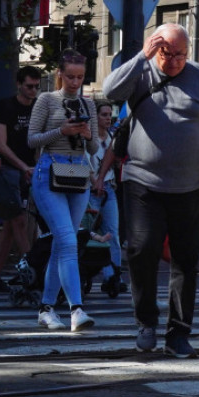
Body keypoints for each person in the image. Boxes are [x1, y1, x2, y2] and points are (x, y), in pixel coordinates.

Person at [102, 23, 199, 358]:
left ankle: (178, 334)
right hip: (143, 181)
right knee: (141, 249)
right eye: (167, 53)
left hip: (189, 186)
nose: (174, 60)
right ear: (155, 47)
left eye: (180, 54)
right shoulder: (141, 71)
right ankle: (146, 321)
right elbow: (110, 91)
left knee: (186, 259)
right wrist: (141, 57)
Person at [27, 50, 98, 332]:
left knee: (62, 243)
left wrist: (88, 135)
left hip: (78, 174)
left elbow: (93, 149)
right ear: (59, 74)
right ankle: (76, 309)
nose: (75, 82)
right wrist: (61, 132)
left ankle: (46, 309)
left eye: (80, 77)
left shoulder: (88, 104)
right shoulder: (46, 100)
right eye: (70, 76)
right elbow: (32, 140)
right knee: (68, 240)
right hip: (49, 172)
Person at [0, 65, 41, 291]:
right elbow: (0, 144)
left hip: (30, 169)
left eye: (37, 87)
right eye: (29, 86)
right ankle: (31, 269)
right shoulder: (5, 106)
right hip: (8, 169)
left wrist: (34, 167)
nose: (33, 91)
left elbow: (40, 139)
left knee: (11, 225)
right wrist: (23, 167)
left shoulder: (38, 107)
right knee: (17, 220)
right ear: (19, 84)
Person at [90, 102, 126, 294]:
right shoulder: (90, 139)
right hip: (91, 190)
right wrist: (94, 180)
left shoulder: (112, 137)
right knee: (88, 234)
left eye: (109, 115)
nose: (107, 118)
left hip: (109, 189)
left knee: (112, 233)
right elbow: (85, 161)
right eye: (103, 114)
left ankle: (112, 276)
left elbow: (116, 162)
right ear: (94, 117)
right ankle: (86, 272)